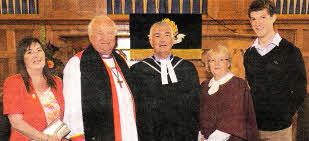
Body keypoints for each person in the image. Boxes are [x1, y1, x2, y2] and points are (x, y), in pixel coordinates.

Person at [62, 15, 138, 141]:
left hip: (128, 131)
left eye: (109, 33)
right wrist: (77, 135)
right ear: (90, 37)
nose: (105, 38)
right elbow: (72, 106)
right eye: (99, 33)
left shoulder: (121, 61)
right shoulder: (77, 63)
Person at [244, 0, 307, 140]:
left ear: (273, 17)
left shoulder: (291, 51)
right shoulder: (249, 54)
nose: (257, 23)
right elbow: (252, 87)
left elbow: (300, 90)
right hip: (254, 128)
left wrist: (284, 115)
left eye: (262, 17)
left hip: (280, 129)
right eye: (253, 19)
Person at [129, 19, 200, 141]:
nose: (162, 40)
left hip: (183, 135)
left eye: (167, 35)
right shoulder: (137, 71)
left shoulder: (187, 68)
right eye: (157, 36)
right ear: (151, 41)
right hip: (149, 136)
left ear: (173, 40)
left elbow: (195, 107)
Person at [3, 37, 64, 141]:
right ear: (22, 59)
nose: (36, 55)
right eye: (29, 52)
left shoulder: (57, 82)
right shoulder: (13, 82)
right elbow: (16, 122)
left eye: (39, 50)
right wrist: (45, 138)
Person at [200, 45, 258, 141]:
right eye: (212, 60)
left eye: (222, 60)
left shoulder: (237, 85)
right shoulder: (204, 86)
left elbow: (231, 123)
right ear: (208, 65)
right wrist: (200, 136)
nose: (217, 63)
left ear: (228, 63)